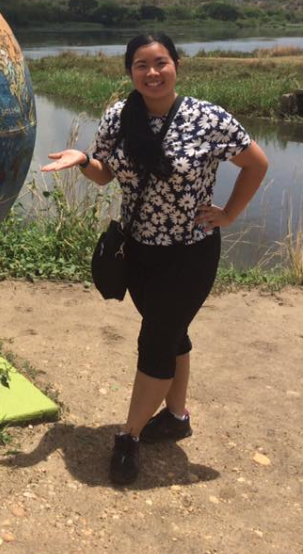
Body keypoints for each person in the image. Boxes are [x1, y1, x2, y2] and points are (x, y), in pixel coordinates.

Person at [41, 32, 268, 485]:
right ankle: (177, 416)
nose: (152, 73)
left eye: (160, 62)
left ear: (177, 65)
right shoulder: (118, 118)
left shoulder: (208, 118)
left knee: (155, 340)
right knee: (172, 332)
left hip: (190, 253)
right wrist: (83, 158)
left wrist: (229, 213)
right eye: (141, 65)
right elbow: (106, 176)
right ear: (130, 72)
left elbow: (256, 163)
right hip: (139, 252)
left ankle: (129, 435)